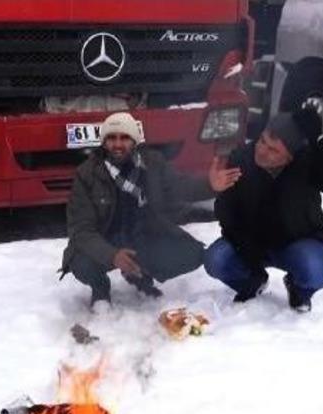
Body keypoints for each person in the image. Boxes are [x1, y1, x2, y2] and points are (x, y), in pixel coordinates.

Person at [61, 112, 242, 309]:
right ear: (104, 142)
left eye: (125, 138)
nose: (118, 144)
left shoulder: (153, 162)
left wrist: (210, 185)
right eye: (111, 138)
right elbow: (81, 230)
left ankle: (141, 276)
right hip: (105, 240)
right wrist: (111, 255)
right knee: (81, 263)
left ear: (135, 140)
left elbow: (180, 186)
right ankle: (100, 287)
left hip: (143, 236)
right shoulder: (87, 173)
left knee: (192, 254)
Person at [204, 108, 323, 313]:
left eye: (273, 149)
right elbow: (227, 213)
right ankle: (252, 282)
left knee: (318, 268)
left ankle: (299, 289)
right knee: (216, 259)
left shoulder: (306, 163)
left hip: (296, 243)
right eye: (262, 141)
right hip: (251, 243)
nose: (261, 150)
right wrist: (218, 191)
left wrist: (318, 144)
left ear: (290, 157)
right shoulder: (241, 160)